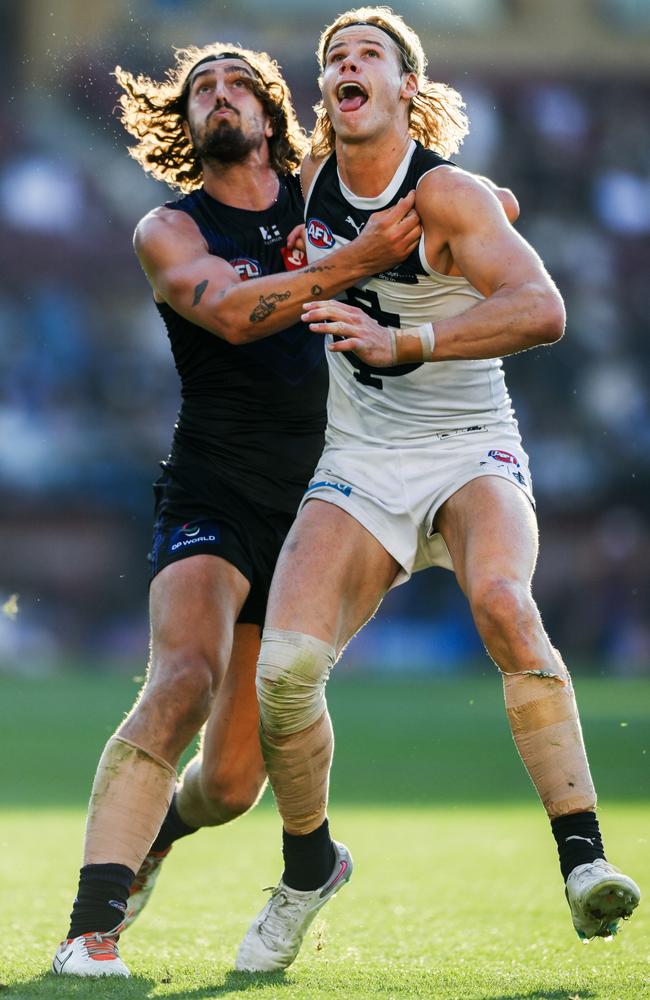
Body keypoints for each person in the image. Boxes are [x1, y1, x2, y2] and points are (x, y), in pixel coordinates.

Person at [234, 6, 641, 973]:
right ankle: (306, 872)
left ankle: (584, 861)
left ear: (407, 88)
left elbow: (542, 309)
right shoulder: (296, 192)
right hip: (359, 460)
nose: (346, 64)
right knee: (283, 673)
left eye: (368, 53)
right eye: (334, 56)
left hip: (468, 445)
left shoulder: (449, 195)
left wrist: (408, 338)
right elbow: (243, 283)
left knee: (503, 603)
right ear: (326, 92)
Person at [51, 39, 424, 979]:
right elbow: (228, 311)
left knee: (228, 782)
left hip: (321, 498)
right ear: (186, 125)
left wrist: (478, 207)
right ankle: (89, 932)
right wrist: (350, 270)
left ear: (270, 114)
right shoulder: (168, 230)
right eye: (200, 91)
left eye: (237, 85)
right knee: (180, 677)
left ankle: (185, 834)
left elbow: (440, 198)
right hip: (212, 485)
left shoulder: (326, 197)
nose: (219, 97)